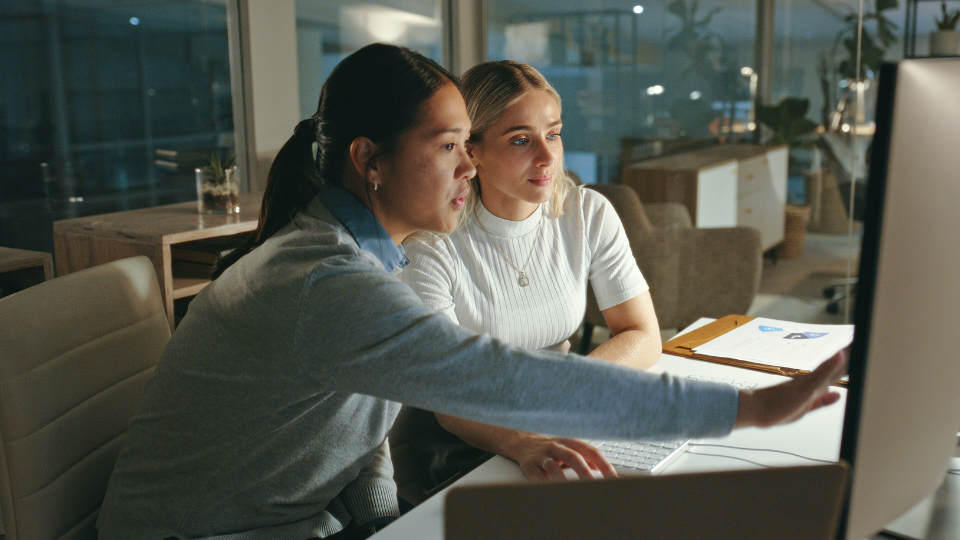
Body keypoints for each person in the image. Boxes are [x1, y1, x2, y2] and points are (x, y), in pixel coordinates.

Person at [97, 44, 846, 540]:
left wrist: (389, 529)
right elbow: (504, 381)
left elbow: (364, 446)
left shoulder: (366, 258)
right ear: (371, 160)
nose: (468, 168)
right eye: (450, 146)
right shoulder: (326, 281)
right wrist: (743, 408)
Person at [397, 60, 664, 489]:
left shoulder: (586, 212)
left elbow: (643, 335)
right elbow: (448, 400)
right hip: (458, 449)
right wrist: (525, 441)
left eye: (553, 135)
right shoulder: (431, 246)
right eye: (521, 140)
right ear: (472, 150)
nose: (547, 157)